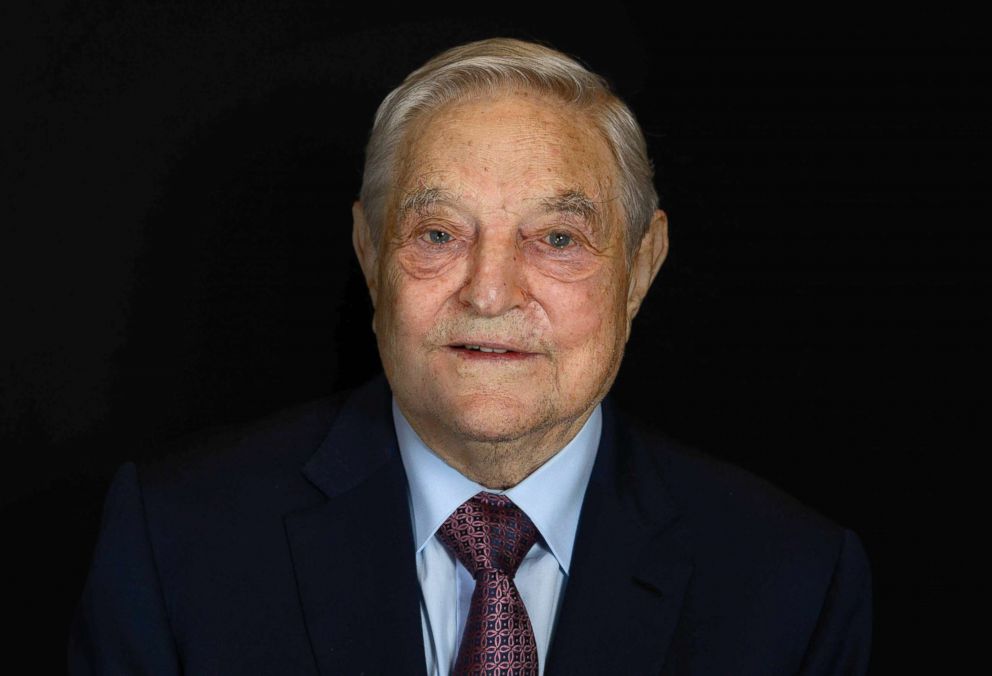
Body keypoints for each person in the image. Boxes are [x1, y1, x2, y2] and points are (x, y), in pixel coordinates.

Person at [69, 38, 872, 675]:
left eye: (557, 239)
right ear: (368, 253)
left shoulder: (794, 584)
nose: (490, 294)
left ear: (641, 268)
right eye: (439, 235)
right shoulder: (175, 544)